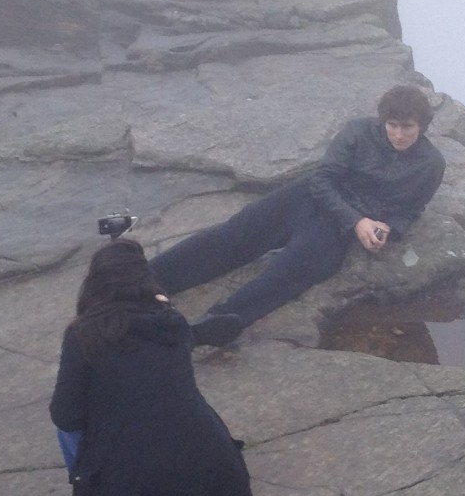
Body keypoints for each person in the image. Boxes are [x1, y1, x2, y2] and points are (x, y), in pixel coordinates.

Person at [150, 84, 446, 347]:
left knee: (294, 268)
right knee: (237, 235)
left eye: (407, 127)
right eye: (392, 125)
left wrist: (389, 227)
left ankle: (219, 322)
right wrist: (357, 221)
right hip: (309, 197)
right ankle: (148, 279)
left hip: (336, 228)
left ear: (422, 125)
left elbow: (411, 209)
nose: (398, 134)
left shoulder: (431, 164)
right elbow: (323, 178)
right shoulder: (358, 131)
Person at [49, 239, 255, 496]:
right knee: (173, 407)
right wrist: (166, 307)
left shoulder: (83, 334)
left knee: (72, 433)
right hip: (207, 455)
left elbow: (65, 414)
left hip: (129, 467)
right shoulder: (172, 323)